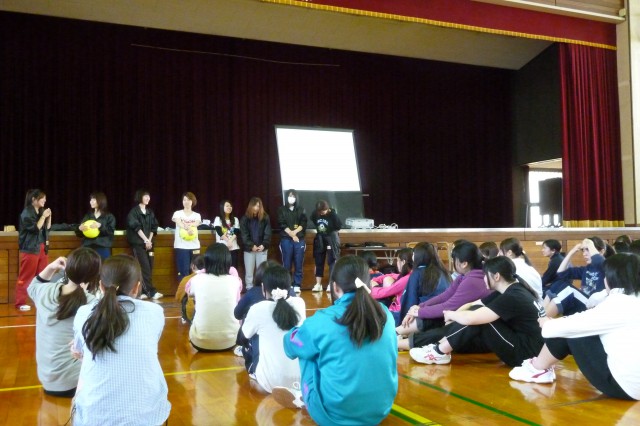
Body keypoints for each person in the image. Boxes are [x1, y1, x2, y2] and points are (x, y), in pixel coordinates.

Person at [274, 255, 398, 425]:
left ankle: (308, 397)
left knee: (306, 348)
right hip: (380, 411)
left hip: (333, 417)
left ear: (335, 287)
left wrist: (298, 332)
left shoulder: (323, 320)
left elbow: (289, 346)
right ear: (368, 283)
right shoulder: (385, 314)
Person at [509, 253, 640, 401]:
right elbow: (593, 304)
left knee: (569, 331)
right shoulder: (631, 299)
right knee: (570, 325)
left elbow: (570, 325)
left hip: (625, 387)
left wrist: (547, 323)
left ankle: (537, 369)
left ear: (611, 278)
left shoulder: (618, 305)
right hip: (634, 384)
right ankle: (539, 366)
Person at [71, 254, 171, 425]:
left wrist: (80, 350)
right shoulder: (155, 312)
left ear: (101, 286)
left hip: (93, 418)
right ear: (137, 287)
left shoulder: (84, 313)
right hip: (146, 417)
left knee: (78, 395)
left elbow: (78, 351)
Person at [409, 256, 546, 367]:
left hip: (525, 355)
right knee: (476, 313)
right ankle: (439, 347)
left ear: (496, 276)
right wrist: (454, 317)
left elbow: (471, 319)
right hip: (527, 347)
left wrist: (452, 314)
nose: (483, 279)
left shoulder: (512, 296)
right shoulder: (511, 289)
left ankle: (439, 352)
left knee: (482, 321)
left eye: (485, 275)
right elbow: (474, 304)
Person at [28, 247, 100, 397]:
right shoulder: (91, 302)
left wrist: (51, 267)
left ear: (67, 269)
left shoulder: (45, 291)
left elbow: (33, 286)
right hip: (74, 381)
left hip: (47, 380)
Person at [397, 241, 492, 350]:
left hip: (474, 330)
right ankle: (396, 334)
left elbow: (448, 306)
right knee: (430, 319)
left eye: (454, 259)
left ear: (464, 264)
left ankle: (394, 343)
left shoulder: (472, 280)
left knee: (437, 330)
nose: (453, 262)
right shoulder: (464, 276)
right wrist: (420, 307)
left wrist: (418, 311)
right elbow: (445, 296)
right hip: (462, 320)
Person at [241, 264, 306, 393]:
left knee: (252, 336)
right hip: (299, 380)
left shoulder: (258, 308)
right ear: (289, 287)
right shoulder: (299, 303)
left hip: (269, 382)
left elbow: (244, 337)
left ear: (263, 288)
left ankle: (254, 371)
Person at [187, 244, 243, 351]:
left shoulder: (197, 279)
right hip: (231, 341)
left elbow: (190, 293)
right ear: (228, 262)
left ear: (207, 261)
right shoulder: (235, 281)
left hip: (200, 342)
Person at [543, 237, 606, 318]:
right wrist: (572, 252)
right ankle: (541, 314)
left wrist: (589, 243)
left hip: (594, 307)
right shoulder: (586, 269)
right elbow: (560, 273)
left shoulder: (606, 268)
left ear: (601, 252)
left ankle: (541, 320)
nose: (584, 254)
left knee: (569, 290)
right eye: (583, 250)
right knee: (559, 283)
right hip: (584, 303)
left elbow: (599, 261)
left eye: (588, 250)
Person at [15, 189, 51, 311]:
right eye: (42, 198)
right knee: (26, 275)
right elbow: (35, 228)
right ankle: (20, 302)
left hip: (41, 247)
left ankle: (42, 301)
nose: (44, 200)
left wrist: (48, 217)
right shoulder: (26, 213)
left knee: (43, 275)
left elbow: (47, 228)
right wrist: (43, 216)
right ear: (34, 199)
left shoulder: (40, 212)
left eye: (45, 198)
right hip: (30, 248)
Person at [398, 242, 451, 321]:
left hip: (425, 317)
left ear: (418, 256)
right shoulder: (444, 272)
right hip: (445, 315)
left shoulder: (417, 273)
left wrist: (403, 319)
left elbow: (410, 300)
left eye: (413, 254)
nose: (412, 256)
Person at [126, 189, 162, 300]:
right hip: (138, 244)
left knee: (149, 268)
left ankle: (143, 292)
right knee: (144, 268)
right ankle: (151, 292)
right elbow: (136, 227)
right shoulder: (134, 212)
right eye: (145, 196)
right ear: (140, 197)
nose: (148, 198)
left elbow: (154, 227)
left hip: (149, 244)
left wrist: (149, 240)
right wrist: (145, 240)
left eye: (148, 196)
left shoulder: (150, 212)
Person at [370, 248, 414, 325]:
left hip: (397, 314)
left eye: (397, 260)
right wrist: (375, 280)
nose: (397, 263)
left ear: (403, 262)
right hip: (398, 310)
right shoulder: (409, 274)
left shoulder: (407, 279)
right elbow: (392, 275)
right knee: (387, 278)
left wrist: (371, 287)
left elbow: (384, 292)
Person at [277, 189, 307, 294]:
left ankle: (297, 284)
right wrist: (291, 234)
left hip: (299, 239)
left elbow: (303, 223)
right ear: (286, 197)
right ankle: (287, 284)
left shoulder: (301, 209)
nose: (291, 198)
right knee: (287, 263)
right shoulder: (281, 210)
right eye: (290, 196)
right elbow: (282, 224)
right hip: (286, 239)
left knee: (299, 262)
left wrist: (295, 233)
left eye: (293, 196)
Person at [309, 200, 342, 292]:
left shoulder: (333, 215)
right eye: (320, 211)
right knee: (319, 261)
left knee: (331, 261)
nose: (322, 213)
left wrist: (329, 230)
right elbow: (313, 220)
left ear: (327, 209)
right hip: (320, 238)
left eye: (323, 211)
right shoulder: (315, 213)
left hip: (331, 238)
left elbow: (338, 226)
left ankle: (330, 284)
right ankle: (318, 284)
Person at [240, 197, 272, 290]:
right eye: (254, 205)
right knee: (249, 272)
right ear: (250, 206)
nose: (256, 208)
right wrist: (251, 246)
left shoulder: (265, 217)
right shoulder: (245, 218)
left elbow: (268, 233)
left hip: (262, 249)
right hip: (249, 250)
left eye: (258, 206)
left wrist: (263, 245)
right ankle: (249, 288)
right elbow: (244, 235)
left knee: (262, 271)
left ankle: (260, 289)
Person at [172, 191, 202, 283]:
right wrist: (187, 228)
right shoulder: (177, 213)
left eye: (189, 200)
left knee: (196, 271)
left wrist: (189, 226)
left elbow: (197, 223)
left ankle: (194, 291)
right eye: (184, 200)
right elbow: (178, 222)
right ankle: (184, 291)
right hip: (181, 246)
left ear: (193, 201)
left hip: (194, 246)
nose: (186, 202)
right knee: (183, 271)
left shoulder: (197, 215)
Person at [76, 192, 116, 259]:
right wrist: (79, 229)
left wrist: (100, 226)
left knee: (103, 264)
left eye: (93, 200)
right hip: (88, 246)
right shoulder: (88, 216)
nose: (91, 202)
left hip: (102, 246)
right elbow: (80, 234)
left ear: (100, 200)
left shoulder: (109, 216)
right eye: (90, 200)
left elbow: (110, 232)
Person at [175, 254, 205, 324]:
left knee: (184, 296)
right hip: (210, 312)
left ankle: (185, 317)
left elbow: (178, 297)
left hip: (193, 313)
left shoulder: (187, 279)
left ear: (193, 266)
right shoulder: (211, 277)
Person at [214, 199, 241, 269]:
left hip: (233, 247)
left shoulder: (235, 219)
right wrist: (228, 241)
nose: (229, 207)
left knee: (233, 268)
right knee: (222, 269)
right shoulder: (218, 219)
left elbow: (236, 231)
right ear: (222, 207)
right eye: (227, 206)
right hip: (222, 249)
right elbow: (219, 231)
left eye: (230, 206)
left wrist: (230, 241)